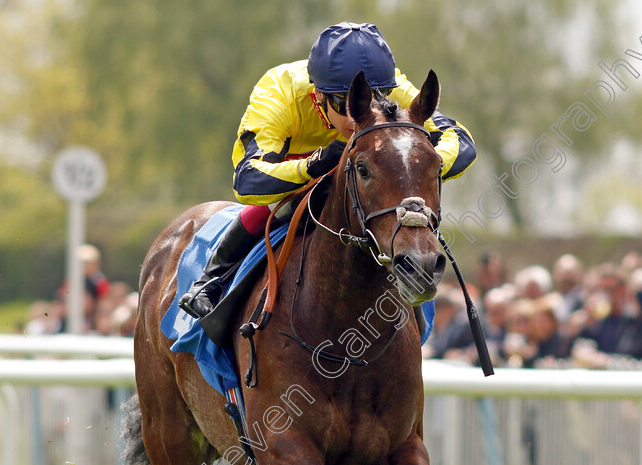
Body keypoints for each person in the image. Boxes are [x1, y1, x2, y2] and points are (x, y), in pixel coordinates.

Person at [179, 22, 477, 318]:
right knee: (273, 206)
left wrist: (425, 164)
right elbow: (248, 179)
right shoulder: (278, 92)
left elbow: (460, 140)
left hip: (366, 170)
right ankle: (212, 280)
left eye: (376, 98)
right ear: (318, 94)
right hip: (296, 165)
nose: (362, 113)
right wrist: (313, 164)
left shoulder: (390, 86)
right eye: (343, 103)